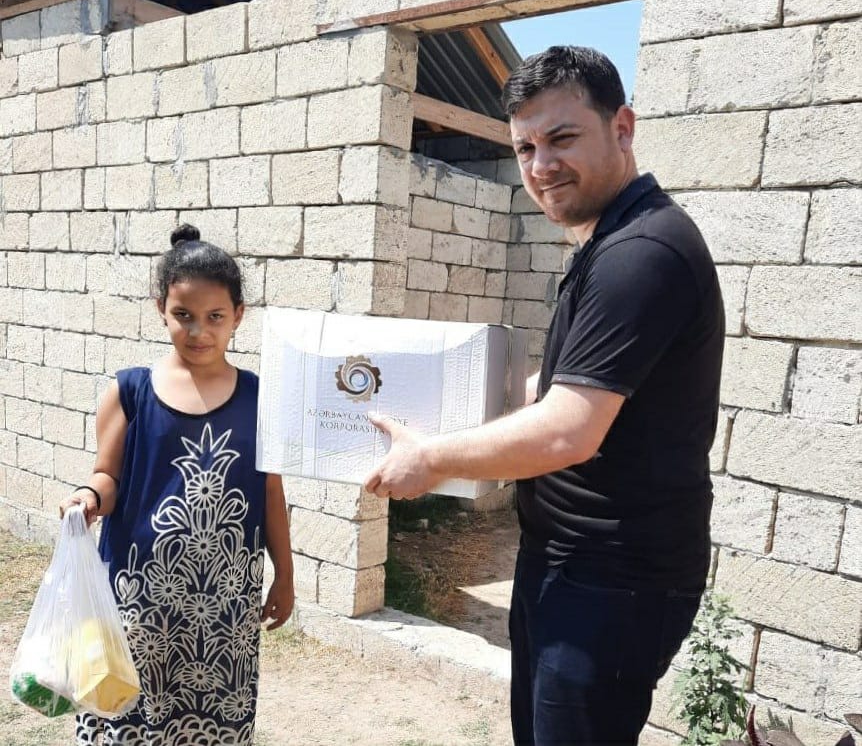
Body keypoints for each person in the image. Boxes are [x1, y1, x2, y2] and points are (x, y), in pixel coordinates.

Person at [364, 46, 724, 745]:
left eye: (562, 138)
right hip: (567, 563)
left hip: (613, 580)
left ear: (622, 127)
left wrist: (433, 459)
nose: (540, 166)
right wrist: (457, 414)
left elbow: (568, 429)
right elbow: (563, 384)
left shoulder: (641, 253)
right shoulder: (608, 243)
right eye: (525, 147)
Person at [60, 224, 295, 746]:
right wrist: (90, 496)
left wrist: (284, 574)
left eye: (215, 317)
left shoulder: (260, 399)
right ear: (161, 310)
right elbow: (108, 476)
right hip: (138, 597)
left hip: (226, 606)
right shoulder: (130, 391)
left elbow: (271, 493)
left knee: (216, 723)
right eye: (183, 315)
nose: (198, 331)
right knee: (129, 717)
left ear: (238, 315)